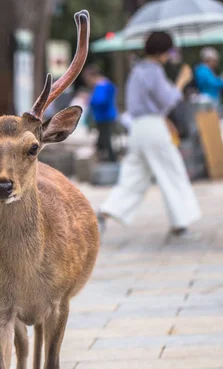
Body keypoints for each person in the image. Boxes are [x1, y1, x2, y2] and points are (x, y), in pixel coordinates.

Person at [97, 31, 201, 237]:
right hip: (153, 129)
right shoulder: (154, 71)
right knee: (172, 173)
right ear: (163, 51)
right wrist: (181, 81)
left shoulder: (136, 71)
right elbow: (167, 100)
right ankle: (180, 224)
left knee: (133, 177)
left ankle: (104, 213)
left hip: (138, 129)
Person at [83, 66, 118, 162]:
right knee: (102, 139)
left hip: (104, 116)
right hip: (107, 116)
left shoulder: (101, 86)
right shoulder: (107, 84)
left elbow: (100, 100)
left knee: (106, 140)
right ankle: (104, 159)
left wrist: (89, 99)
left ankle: (111, 160)